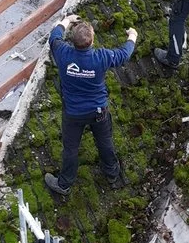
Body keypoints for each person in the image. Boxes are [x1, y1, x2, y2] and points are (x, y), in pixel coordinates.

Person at [44, 14, 136, 196]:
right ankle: (112, 173)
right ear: (92, 41)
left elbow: (53, 36)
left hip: (73, 113)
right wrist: (132, 35)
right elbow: (124, 54)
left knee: (70, 148)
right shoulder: (101, 57)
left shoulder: (63, 53)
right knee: (104, 142)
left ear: (72, 41)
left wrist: (68, 20)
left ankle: (64, 184)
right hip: (98, 111)